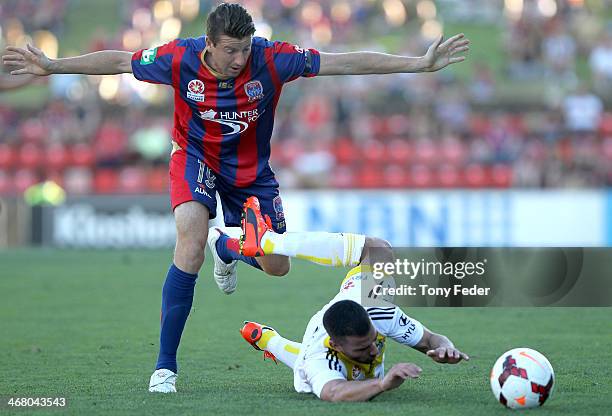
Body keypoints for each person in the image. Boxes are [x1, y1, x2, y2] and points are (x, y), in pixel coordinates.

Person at [2, 3, 470, 393]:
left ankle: (226, 246)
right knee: (188, 242)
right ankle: (165, 366)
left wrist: (418, 64)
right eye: (230, 51)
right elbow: (121, 60)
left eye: (244, 49)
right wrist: (54, 66)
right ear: (209, 45)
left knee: (277, 265)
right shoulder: (177, 58)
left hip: (252, 177)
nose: (238, 59)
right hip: (195, 159)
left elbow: (344, 60)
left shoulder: (272, 59)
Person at [238, 201, 469, 402]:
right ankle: (268, 340)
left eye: (371, 340)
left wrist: (445, 348)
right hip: (315, 347)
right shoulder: (319, 360)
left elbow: (430, 339)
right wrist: (382, 384)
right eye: (361, 347)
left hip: (354, 300)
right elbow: (334, 392)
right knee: (304, 367)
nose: (373, 350)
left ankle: (269, 242)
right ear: (336, 346)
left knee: (378, 249)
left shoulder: (379, 312)